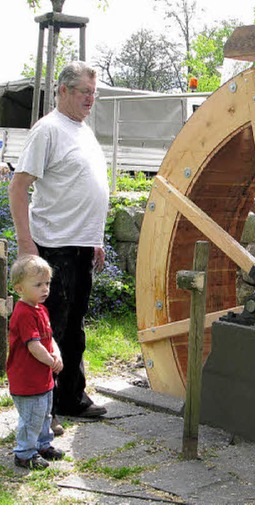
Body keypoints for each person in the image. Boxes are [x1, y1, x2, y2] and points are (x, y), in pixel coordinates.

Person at [8, 61, 110, 434]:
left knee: (74, 329)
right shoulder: (48, 130)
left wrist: (95, 238)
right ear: (64, 90)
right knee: (47, 334)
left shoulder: (82, 130)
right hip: (54, 248)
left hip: (82, 247)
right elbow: (18, 188)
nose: (90, 99)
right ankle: (42, 412)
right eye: (84, 92)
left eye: (93, 93)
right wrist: (26, 246)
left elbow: (86, 187)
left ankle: (70, 399)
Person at [7, 255, 65, 470]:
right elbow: (33, 345)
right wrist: (50, 361)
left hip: (43, 378)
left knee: (44, 415)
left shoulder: (41, 309)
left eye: (47, 283)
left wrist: (56, 354)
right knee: (31, 418)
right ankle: (24, 453)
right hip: (27, 379)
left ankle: (42, 445)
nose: (45, 289)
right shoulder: (23, 313)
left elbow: (48, 338)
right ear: (20, 288)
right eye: (38, 285)